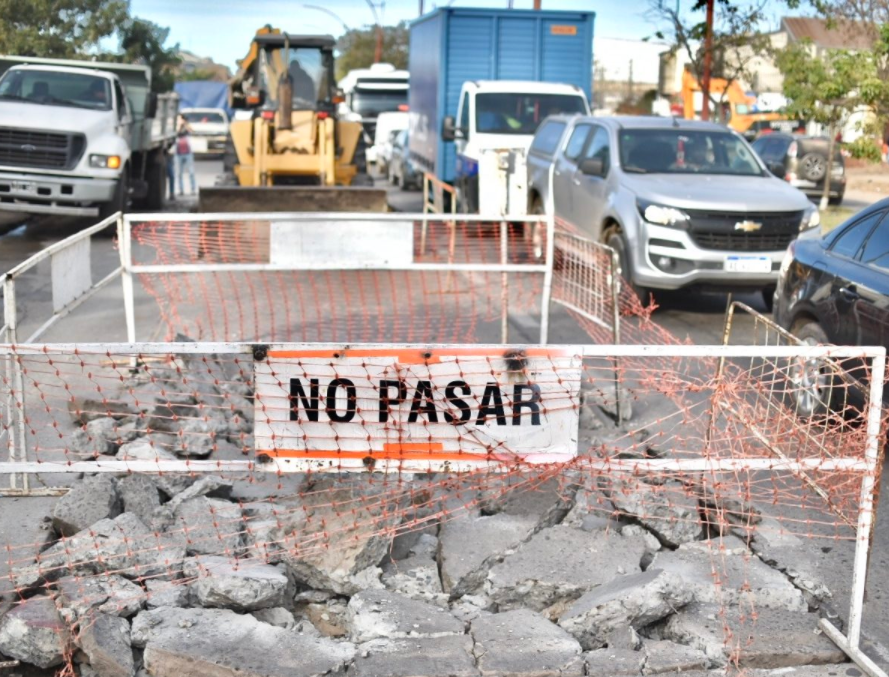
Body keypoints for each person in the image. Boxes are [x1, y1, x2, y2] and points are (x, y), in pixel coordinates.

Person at [175, 115, 196, 195]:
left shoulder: (187, 126)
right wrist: (179, 125)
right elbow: (176, 133)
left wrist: (185, 124)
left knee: (191, 172)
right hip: (178, 153)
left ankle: (193, 189)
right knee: (179, 173)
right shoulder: (177, 127)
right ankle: (181, 190)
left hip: (188, 152)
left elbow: (192, 131)